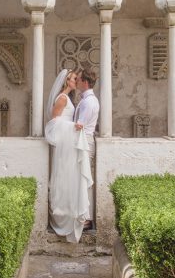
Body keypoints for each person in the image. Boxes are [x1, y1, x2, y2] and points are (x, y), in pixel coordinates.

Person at [44, 69, 93, 243]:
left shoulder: (69, 99)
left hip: (69, 144)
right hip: (65, 145)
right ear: (66, 81)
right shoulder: (63, 98)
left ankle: (72, 213)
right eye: (73, 79)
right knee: (64, 177)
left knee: (70, 178)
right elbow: (54, 123)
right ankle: (62, 215)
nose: (76, 81)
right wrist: (73, 127)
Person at [72, 68, 99, 231]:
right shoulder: (87, 100)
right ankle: (83, 215)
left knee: (84, 179)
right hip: (83, 142)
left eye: (79, 79)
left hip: (85, 143)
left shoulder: (89, 102)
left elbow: (79, 126)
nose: (76, 81)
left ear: (85, 82)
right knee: (81, 180)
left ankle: (86, 218)